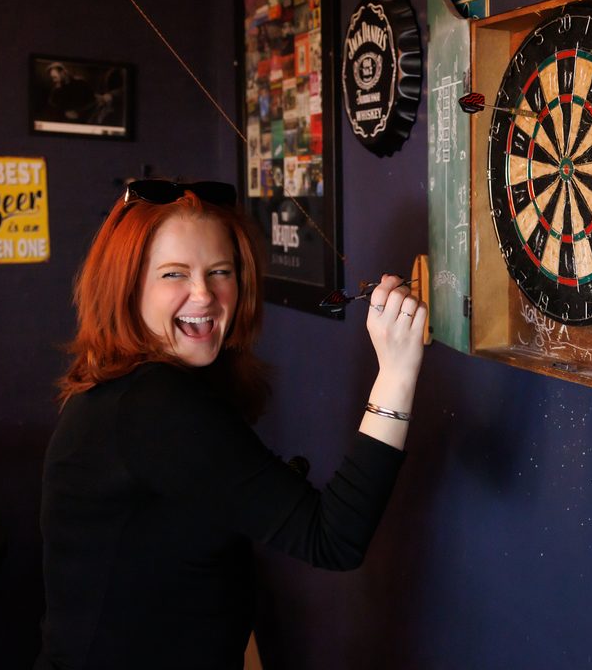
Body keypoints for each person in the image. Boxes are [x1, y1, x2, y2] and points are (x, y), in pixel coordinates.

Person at [35, 179, 425, 669]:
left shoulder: (137, 388)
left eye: (220, 271)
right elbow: (334, 539)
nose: (204, 294)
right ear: (127, 287)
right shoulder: (152, 407)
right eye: (174, 274)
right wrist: (397, 373)